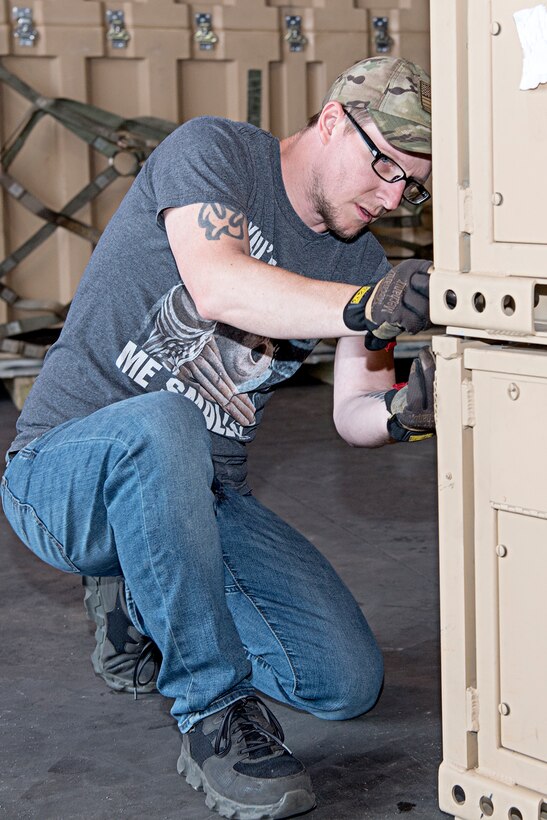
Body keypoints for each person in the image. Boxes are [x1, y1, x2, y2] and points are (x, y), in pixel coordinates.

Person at [1, 56, 435, 819]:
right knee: (164, 421)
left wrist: (405, 415)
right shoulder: (216, 153)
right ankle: (211, 713)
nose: (391, 198)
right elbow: (219, 284)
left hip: (203, 497)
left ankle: (143, 597)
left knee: (341, 685)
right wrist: (370, 305)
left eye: (413, 186)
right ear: (332, 120)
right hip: (63, 474)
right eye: (383, 167)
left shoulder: (360, 259)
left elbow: (352, 410)